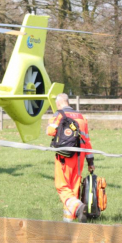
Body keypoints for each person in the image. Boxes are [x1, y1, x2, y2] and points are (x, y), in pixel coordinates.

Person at [46, 93, 95, 222]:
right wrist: (90, 161)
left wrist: (50, 123)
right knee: (73, 187)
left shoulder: (59, 114)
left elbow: (50, 131)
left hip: (65, 156)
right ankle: (69, 221)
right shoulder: (82, 117)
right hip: (80, 157)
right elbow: (87, 141)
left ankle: (78, 207)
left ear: (58, 103)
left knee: (62, 186)